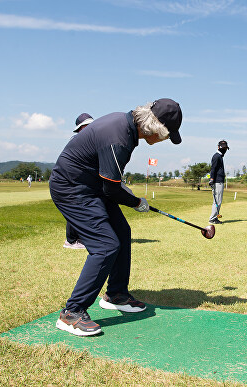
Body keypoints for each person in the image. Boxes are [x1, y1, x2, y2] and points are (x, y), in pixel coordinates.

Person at [49, 98, 183, 336]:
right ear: (154, 127)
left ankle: (116, 294)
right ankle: (72, 312)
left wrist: (123, 191)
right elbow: (111, 189)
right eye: (166, 135)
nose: (163, 140)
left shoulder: (126, 127)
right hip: (72, 189)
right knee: (105, 245)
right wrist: (136, 202)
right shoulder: (120, 137)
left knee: (122, 233)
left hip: (92, 187)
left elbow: (110, 181)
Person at [63, 113, 94, 250]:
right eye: (86, 126)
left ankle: (81, 237)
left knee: (85, 208)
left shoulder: (90, 141)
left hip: (83, 181)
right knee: (75, 209)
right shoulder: (76, 141)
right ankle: (71, 240)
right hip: (72, 181)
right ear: (80, 128)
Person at [209, 140, 229, 225]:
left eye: (225, 148)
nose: (224, 149)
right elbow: (213, 168)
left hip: (219, 181)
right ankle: (213, 219)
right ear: (218, 147)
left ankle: (214, 217)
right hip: (217, 182)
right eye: (223, 148)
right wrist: (212, 179)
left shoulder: (219, 156)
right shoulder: (217, 156)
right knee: (217, 201)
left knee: (217, 201)